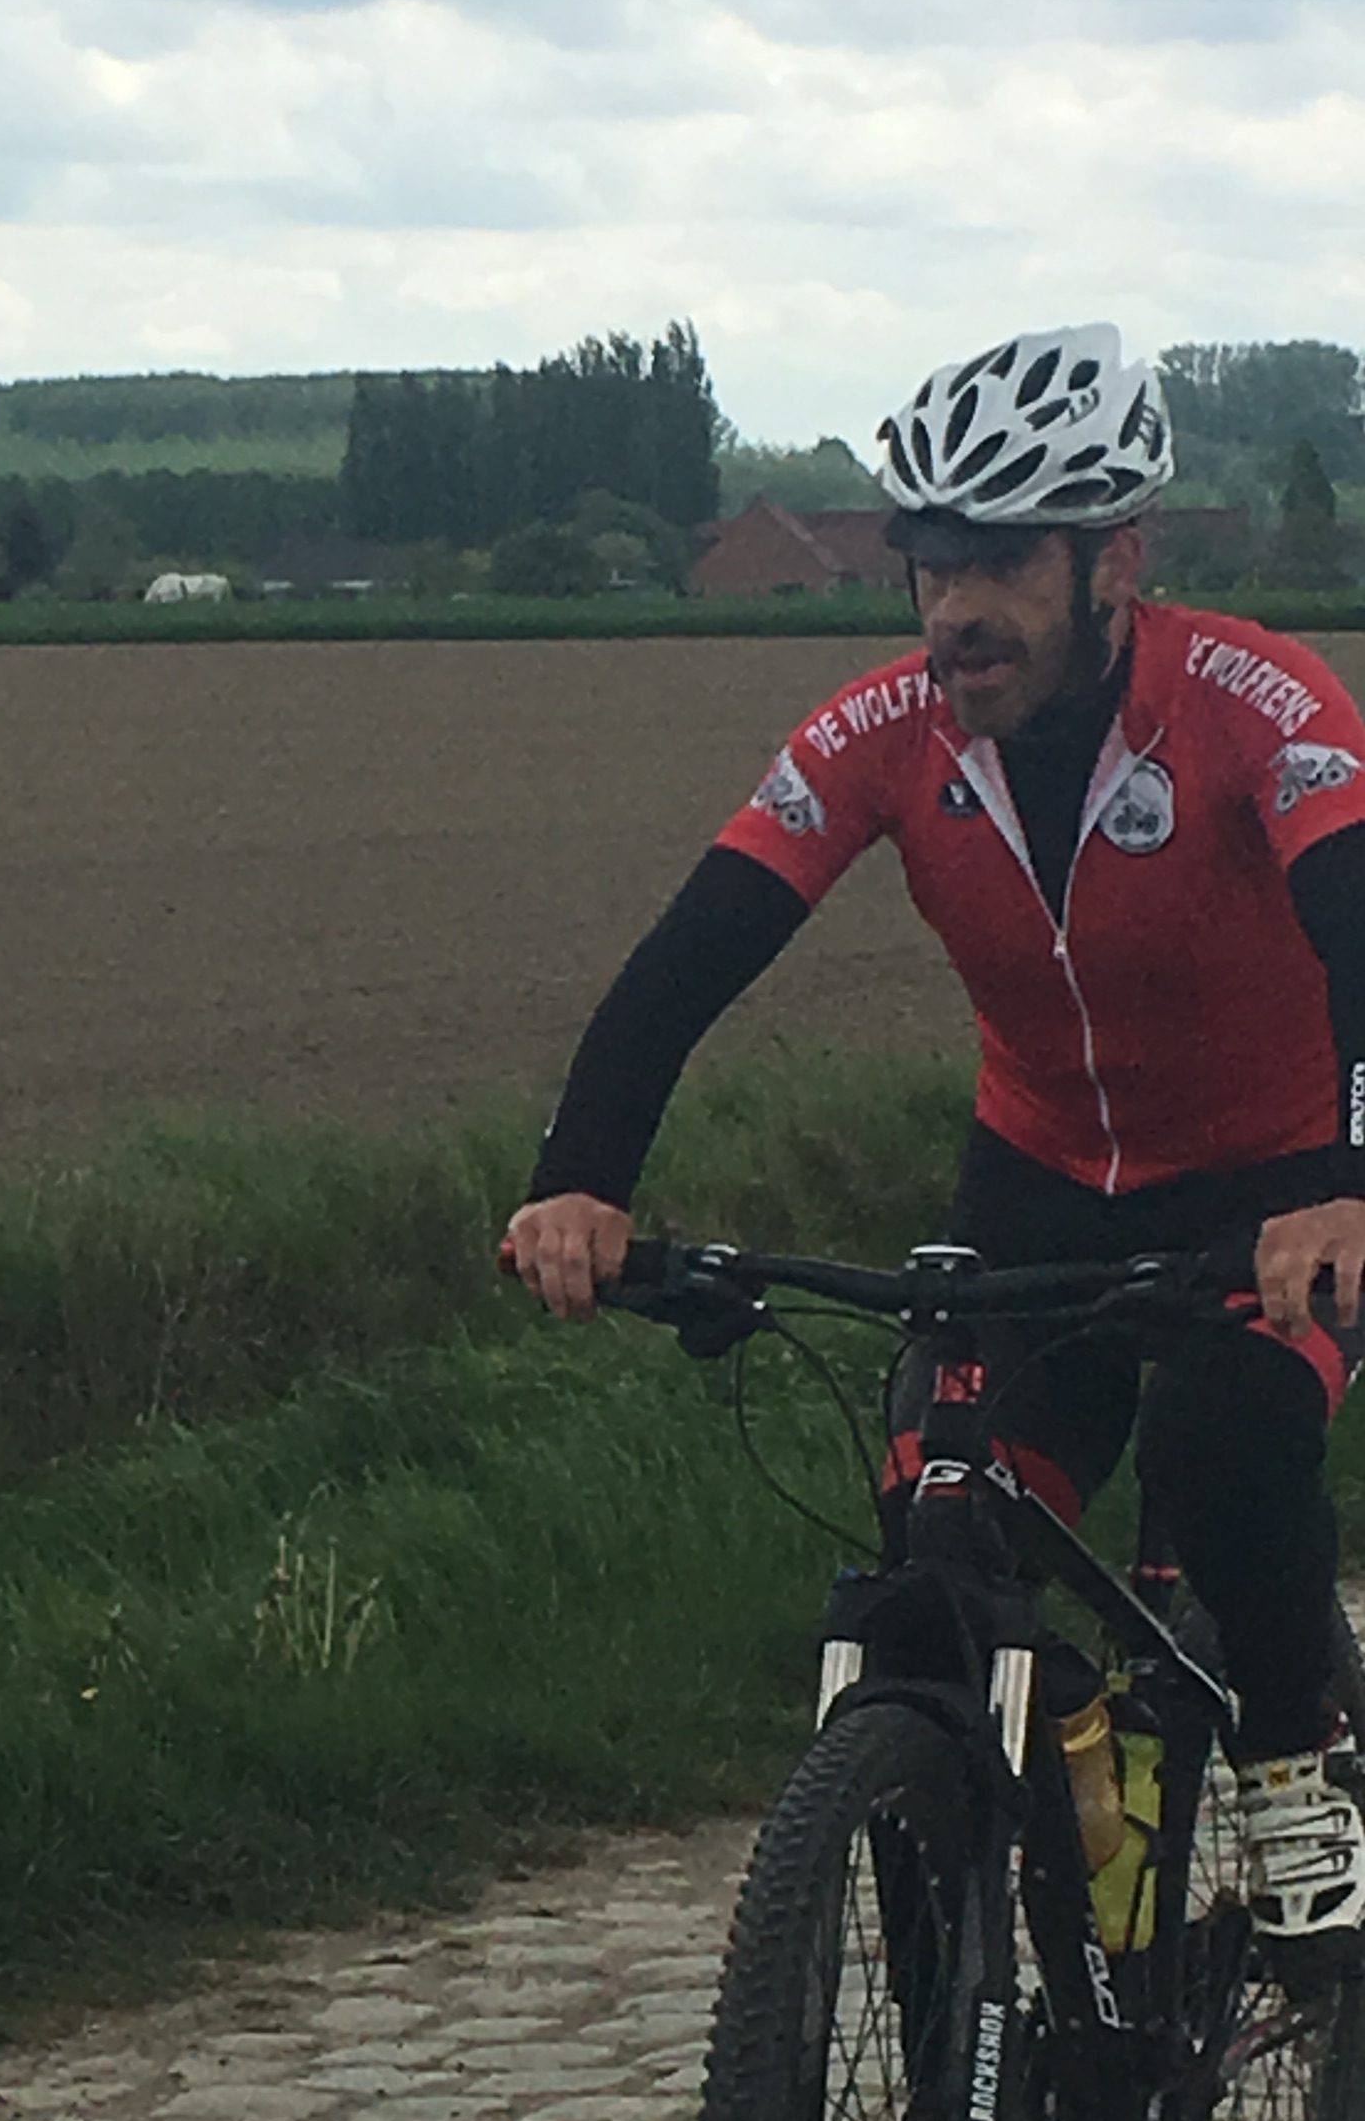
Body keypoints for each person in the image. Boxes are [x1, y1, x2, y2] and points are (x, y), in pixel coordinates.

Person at [506, 322, 1365, 1935]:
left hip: (1275, 1186)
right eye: (931, 562)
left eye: (1002, 564)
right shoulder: (882, 734)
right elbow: (694, 954)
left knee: (1220, 1448)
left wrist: (1354, 1188)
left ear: (1115, 562)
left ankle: (1294, 1765)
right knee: (947, 1526)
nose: (955, 609)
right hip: (1039, 1181)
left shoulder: (1252, 699)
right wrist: (582, 1180)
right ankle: (1041, 1874)